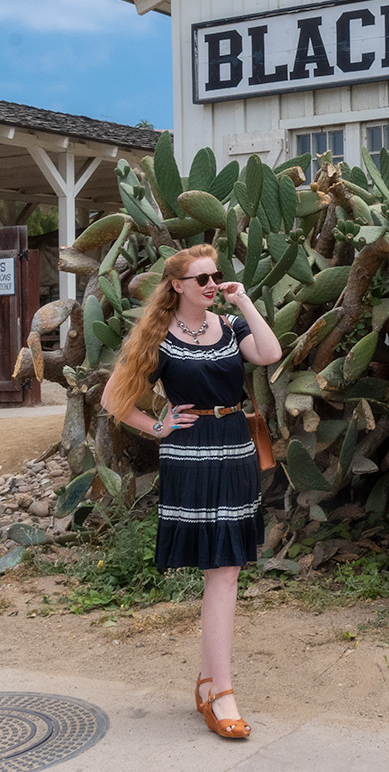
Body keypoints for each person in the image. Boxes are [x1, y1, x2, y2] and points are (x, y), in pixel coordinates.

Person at [100, 243, 281, 740]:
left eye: (215, 275)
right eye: (201, 278)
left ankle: (209, 686)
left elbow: (269, 354)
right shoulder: (160, 337)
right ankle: (221, 694)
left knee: (225, 571)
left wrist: (243, 300)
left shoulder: (229, 326)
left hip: (236, 450)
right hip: (190, 455)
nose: (211, 284)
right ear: (177, 285)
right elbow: (113, 397)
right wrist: (157, 427)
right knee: (220, 572)